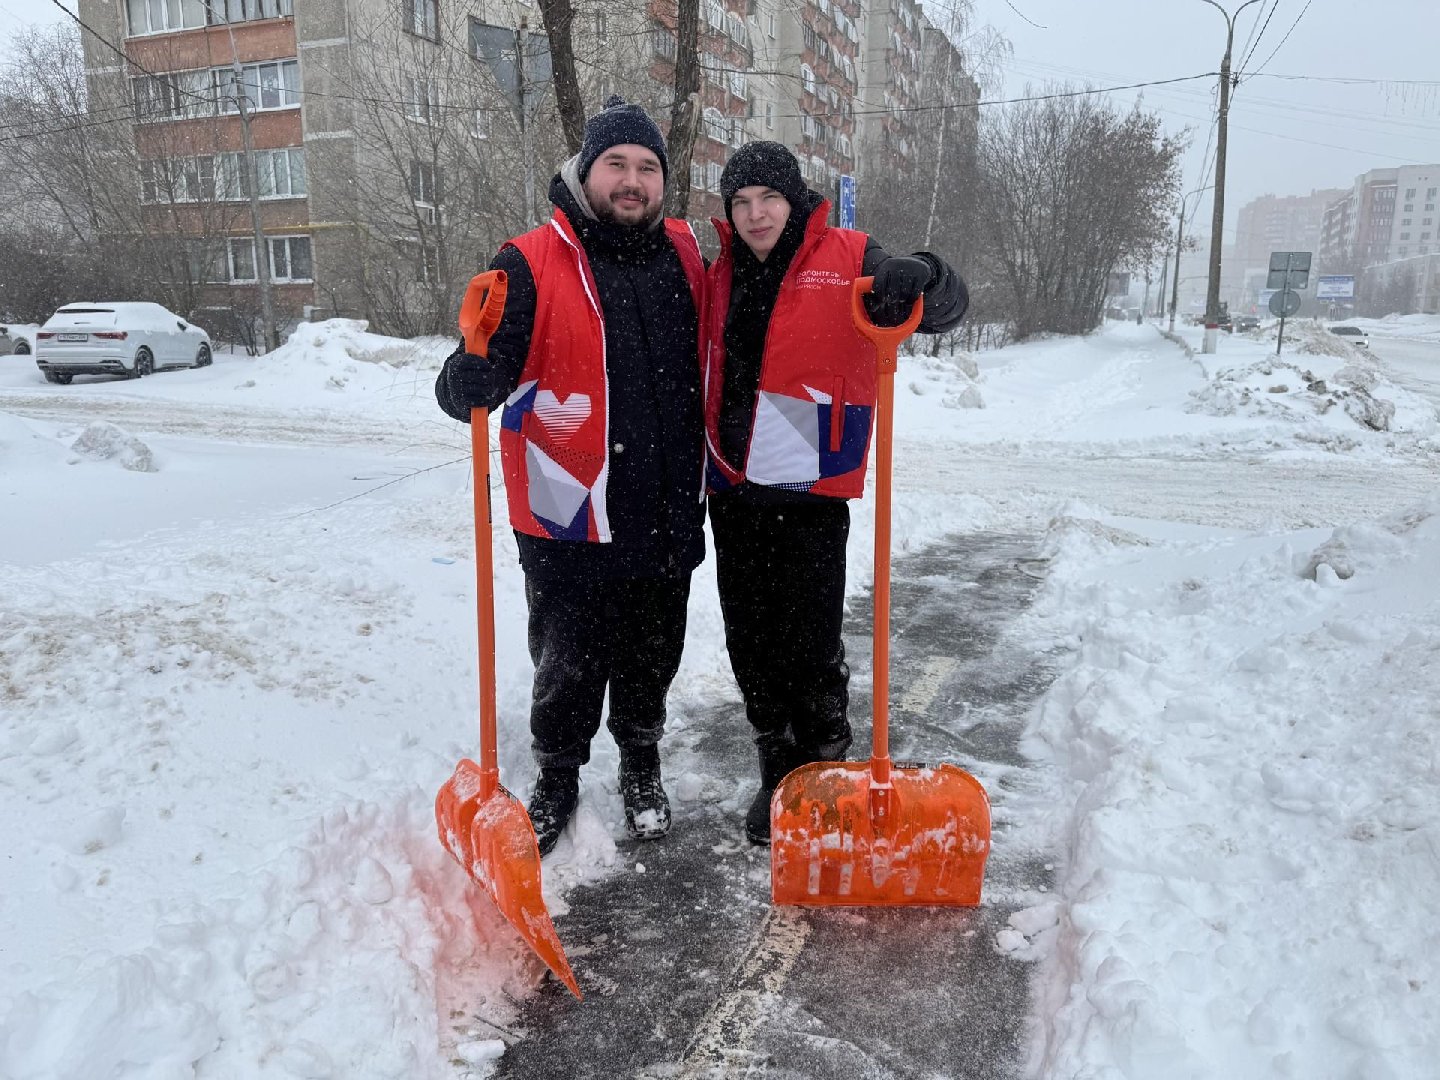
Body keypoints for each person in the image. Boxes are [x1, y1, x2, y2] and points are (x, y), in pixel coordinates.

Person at [435, 97, 706, 856]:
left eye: (647, 168)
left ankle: (641, 763)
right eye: (616, 164)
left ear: (663, 180)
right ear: (586, 173)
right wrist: (465, 381)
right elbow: (474, 367)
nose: (632, 181)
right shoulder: (527, 260)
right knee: (568, 662)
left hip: (664, 508)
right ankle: (557, 775)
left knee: (653, 656)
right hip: (569, 510)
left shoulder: (688, 254)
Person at [702, 141, 969, 845]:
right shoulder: (719, 272)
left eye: (770, 199)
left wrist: (926, 275)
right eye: (742, 202)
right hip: (729, 485)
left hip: (811, 488)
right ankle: (774, 763)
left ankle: (822, 760)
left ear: (795, 201)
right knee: (749, 639)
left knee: (810, 638)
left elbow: (942, 305)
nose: (757, 214)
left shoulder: (850, 254)